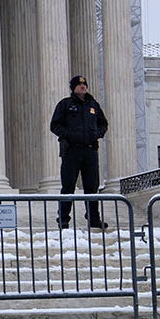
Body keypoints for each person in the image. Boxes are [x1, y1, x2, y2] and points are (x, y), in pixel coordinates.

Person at [49, 74, 109, 229]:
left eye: (85, 85)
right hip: (72, 151)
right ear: (73, 88)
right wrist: (68, 135)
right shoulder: (65, 104)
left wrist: (97, 133)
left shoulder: (93, 105)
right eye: (79, 85)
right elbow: (55, 126)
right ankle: (63, 218)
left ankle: (93, 218)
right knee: (68, 185)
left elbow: (103, 123)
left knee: (92, 186)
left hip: (90, 150)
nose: (83, 87)